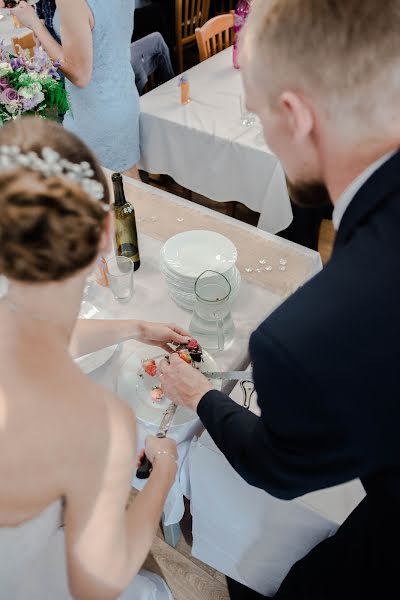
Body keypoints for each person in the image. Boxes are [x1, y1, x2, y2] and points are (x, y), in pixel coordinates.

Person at [159, 1, 400, 599]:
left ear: (294, 115)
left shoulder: (301, 339)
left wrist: (201, 395)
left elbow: (278, 468)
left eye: (257, 111)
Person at [0, 116, 193, 599]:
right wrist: (164, 473)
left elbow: (41, 336)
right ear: (108, 234)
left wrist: (136, 327)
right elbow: (98, 583)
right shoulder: (97, 420)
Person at [2, 0, 140, 178]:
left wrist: (35, 24)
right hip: (123, 96)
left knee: (104, 193)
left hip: (93, 113)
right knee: (130, 185)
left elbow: (80, 75)